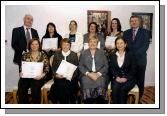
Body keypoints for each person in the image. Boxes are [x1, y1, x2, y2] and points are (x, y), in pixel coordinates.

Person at [123, 15, 150, 101]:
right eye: (132, 21)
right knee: (129, 80)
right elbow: (124, 47)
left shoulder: (145, 32)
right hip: (128, 62)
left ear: (139, 22)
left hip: (140, 61)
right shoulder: (126, 32)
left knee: (140, 81)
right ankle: (127, 97)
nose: (134, 22)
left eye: (135, 20)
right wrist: (129, 57)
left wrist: (132, 56)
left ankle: (138, 100)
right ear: (130, 23)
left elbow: (145, 46)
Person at [17, 39, 49, 104]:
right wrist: (20, 72)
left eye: (36, 44)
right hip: (26, 77)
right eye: (32, 44)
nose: (34, 46)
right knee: (22, 87)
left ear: (39, 45)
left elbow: (46, 69)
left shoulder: (43, 55)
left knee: (35, 88)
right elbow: (22, 68)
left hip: (39, 77)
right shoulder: (25, 55)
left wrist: (41, 76)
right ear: (30, 45)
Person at [49, 38, 80, 104]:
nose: (65, 46)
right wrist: (56, 75)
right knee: (61, 85)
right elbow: (54, 68)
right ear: (61, 46)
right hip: (59, 77)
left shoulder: (74, 55)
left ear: (70, 46)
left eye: (67, 45)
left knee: (67, 86)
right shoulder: (57, 54)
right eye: (64, 45)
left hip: (71, 78)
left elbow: (77, 69)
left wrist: (70, 76)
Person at [79, 36, 109, 104]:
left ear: (97, 43)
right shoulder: (83, 53)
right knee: (85, 81)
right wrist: (88, 74)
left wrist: (98, 74)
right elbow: (80, 66)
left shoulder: (102, 52)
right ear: (88, 43)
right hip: (87, 74)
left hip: (100, 74)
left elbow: (106, 66)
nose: (92, 43)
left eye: (94, 42)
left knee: (101, 82)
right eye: (91, 42)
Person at [109, 37, 136, 104]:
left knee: (122, 89)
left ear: (125, 44)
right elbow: (112, 68)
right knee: (115, 88)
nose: (119, 45)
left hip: (129, 79)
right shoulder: (113, 55)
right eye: (117, 43)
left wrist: (126, 78)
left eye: (121, 43)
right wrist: (116, 77)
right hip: (117, 78)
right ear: (116, 45)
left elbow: (134, 69)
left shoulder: (131, 54)